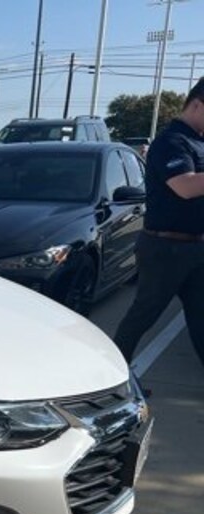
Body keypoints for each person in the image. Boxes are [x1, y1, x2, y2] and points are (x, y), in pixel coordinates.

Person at [114, 77, 204, 371]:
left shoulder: (198, 142)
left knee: (201, 318)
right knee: (144, 314)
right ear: (197, 105)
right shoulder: (171, 142)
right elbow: (185, 186)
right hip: (166, 247)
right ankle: (112, 374)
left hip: (195, 247)